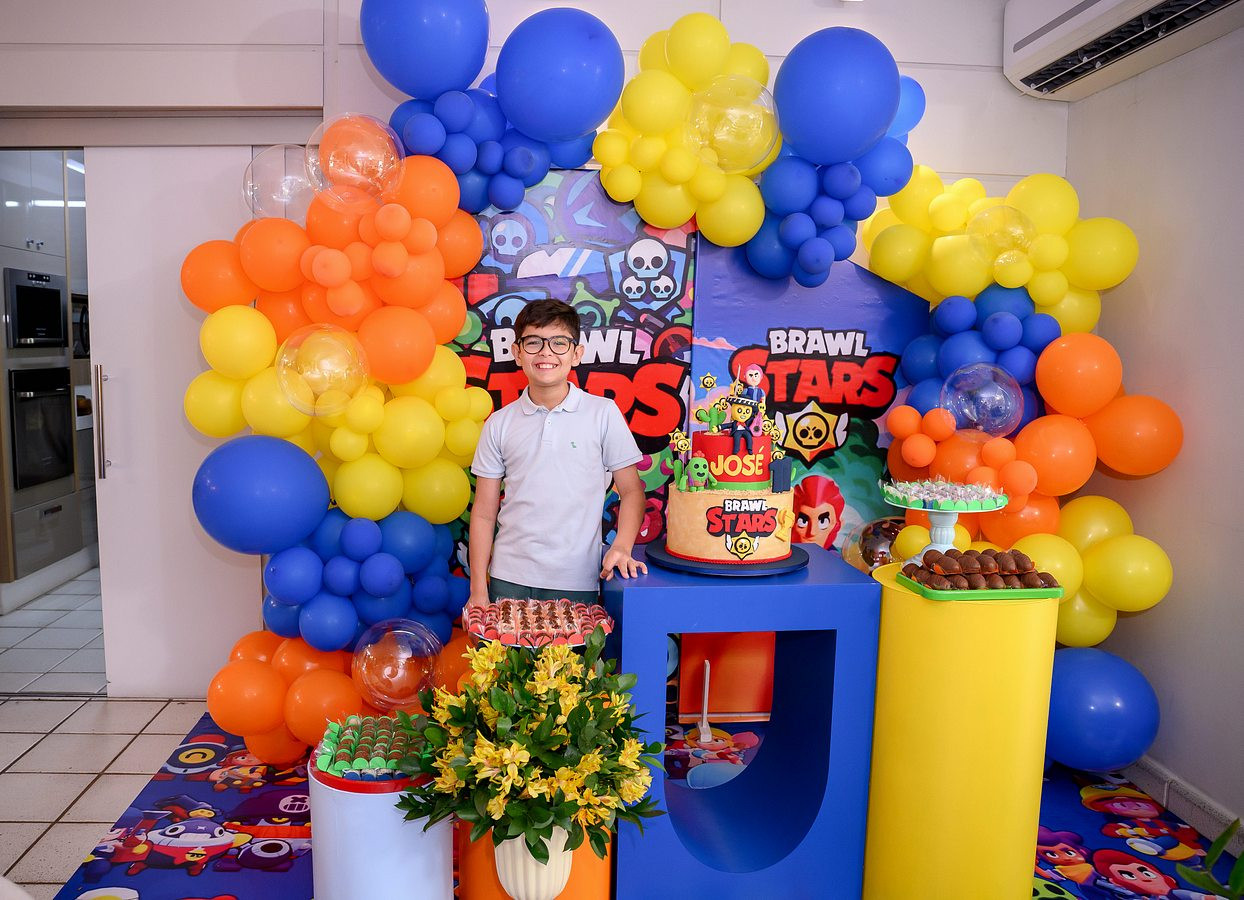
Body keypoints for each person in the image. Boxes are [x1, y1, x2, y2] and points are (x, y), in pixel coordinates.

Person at [467, 299, 648, 611]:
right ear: (517, 352)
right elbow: (484, 513)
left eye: (559, 343)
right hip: (508, 578)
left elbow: (632, 491)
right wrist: (478, 590)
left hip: (577, 580)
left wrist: (621, 546)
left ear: (577, 354)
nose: (546, 352)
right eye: (533, 342)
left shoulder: (602, 413)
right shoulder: (499, 423)